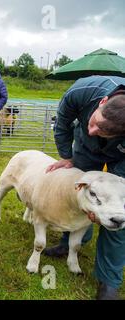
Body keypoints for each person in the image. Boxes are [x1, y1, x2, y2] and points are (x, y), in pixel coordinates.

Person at [45, 75, 125, 300]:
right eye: (93, 122)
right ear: (102, 102)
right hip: (85, 150)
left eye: (102, 131)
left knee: (116, 213)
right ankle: (68, 242)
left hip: (121, 155)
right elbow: (62, 123)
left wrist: (109, 202)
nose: (93, 130)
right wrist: (67, 156)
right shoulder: (83, 91)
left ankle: (109, 281)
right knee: (78, 194)